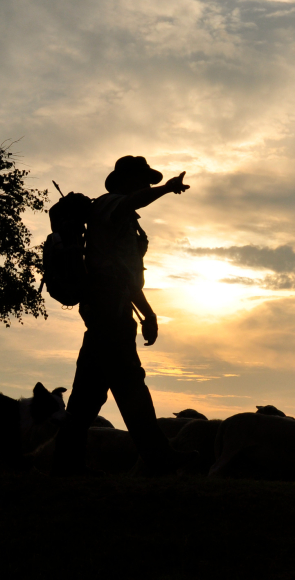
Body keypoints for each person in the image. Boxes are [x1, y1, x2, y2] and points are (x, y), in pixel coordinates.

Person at [52, 156, 195, 476]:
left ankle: (64, 464)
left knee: (87, 397)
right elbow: (119, 274)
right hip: (108, 310)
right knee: (131, 385)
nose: (147, 184)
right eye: (143, 179)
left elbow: (128, 277)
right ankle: (160, 457)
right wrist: (166, 188)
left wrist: (148, 314)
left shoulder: (124, 218)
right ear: (125, 182)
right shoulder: (110, 205)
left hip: (112, 308)